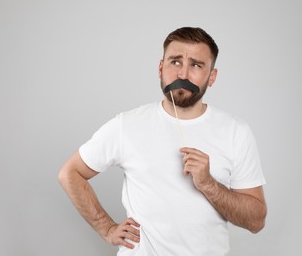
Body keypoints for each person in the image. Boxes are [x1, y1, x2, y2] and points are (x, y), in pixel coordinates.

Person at [58, 27, 267, 255]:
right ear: (161, 68)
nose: (183, 75)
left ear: (212, 76)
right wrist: (106, 227)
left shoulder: (236, 132)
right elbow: (70, 173)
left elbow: (256, 221)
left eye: (196, 65)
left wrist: (209, 184)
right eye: (175, 62)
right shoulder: (127, 125)